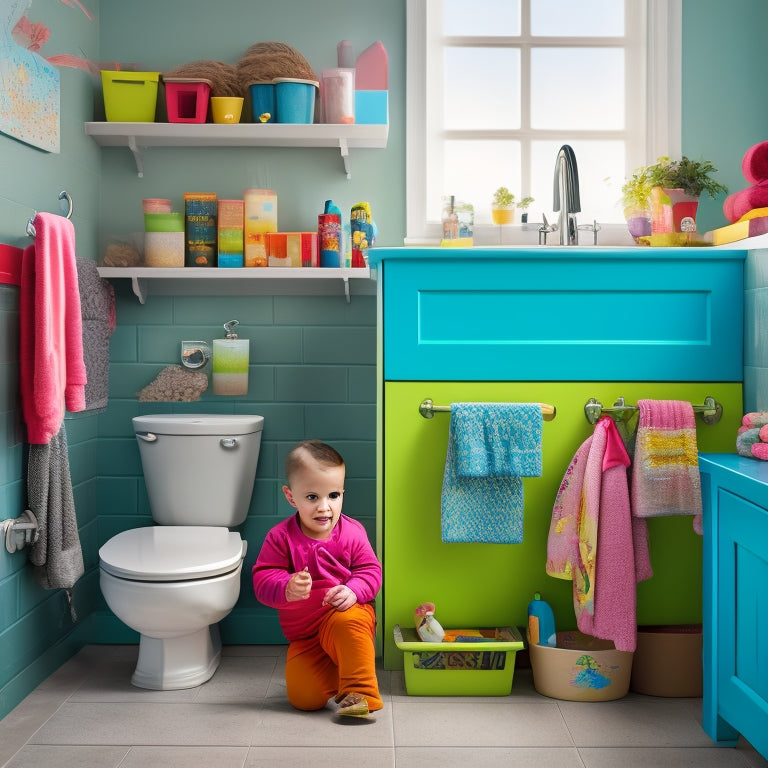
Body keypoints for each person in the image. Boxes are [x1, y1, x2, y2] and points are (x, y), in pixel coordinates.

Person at [252, 439, 382, 718]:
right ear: (291, 497)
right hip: (305, 636)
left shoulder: (352, 532)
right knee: (304, 700)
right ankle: (343, 668)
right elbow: (262, 579)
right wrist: (285, 586)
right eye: (312, 497)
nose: (325, 507)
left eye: (333, 495)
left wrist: (354, 590)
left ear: (342, 493)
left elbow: (371, 570)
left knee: (350, 619)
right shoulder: (280, 537)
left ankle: (361, 692)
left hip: (343, 617)